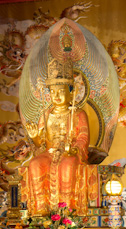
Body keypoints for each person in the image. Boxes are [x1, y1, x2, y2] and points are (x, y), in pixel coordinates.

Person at [25, 58, 90, 216]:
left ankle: (66, 208)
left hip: (70, 153)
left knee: (67, 165)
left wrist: (75, 148)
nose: (56, 96)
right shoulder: (46, 114)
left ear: (71, 92)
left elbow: (83, 136)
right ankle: (41, 207)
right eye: (53, 92)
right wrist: (34, 137)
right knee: (34, 164)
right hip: (50, 152)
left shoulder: (78, 114)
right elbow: (40, 141)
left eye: (61, 91)